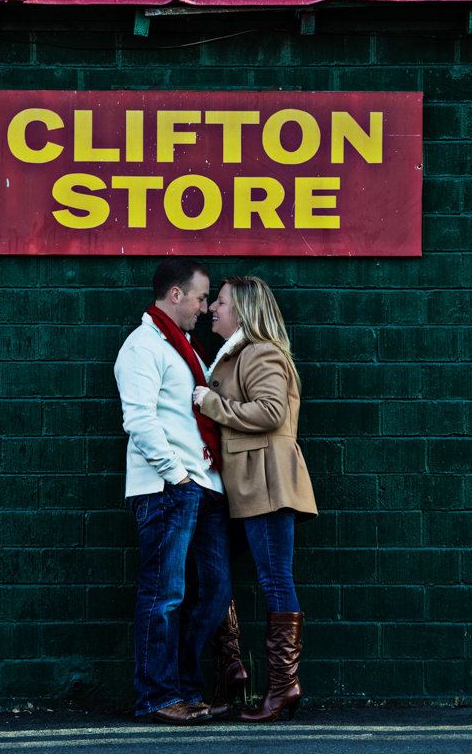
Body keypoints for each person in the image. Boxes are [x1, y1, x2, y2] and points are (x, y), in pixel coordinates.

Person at [191, 276, 317, 722]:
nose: (211, 310)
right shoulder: (232, 356)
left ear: (242, 310)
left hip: (265, 484)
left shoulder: (261, 352)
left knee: (274, 580)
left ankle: (283, 686)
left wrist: (211, 403)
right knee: (216, 573)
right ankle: (232, 672)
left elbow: (270, 411)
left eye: (220, 303)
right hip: (240, 488)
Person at [114, 257, 232, 724]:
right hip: (169, 488)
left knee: (216, 591)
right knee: (164, 593)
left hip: (203, 487)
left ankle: (184, 688)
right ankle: (158, 697)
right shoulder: (143, 345)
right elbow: (138, 419)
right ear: (176, 295)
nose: (206, 307)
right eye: (202, 297)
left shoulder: (186, 348)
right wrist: (176, 475)